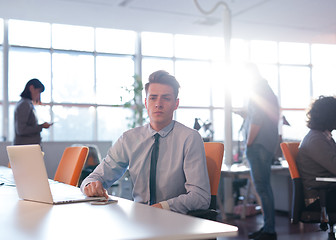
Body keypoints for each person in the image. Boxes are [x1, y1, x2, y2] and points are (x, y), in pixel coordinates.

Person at [80, 70, 211, 214]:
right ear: (146, 102)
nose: (158, 104)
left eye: (166, 98)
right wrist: (90, 185)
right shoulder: (129, 139)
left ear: (176, 103)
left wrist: (162, 207)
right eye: (153, 98)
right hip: (139, 218)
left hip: (174, 218)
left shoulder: (190, 138)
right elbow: (95, 177)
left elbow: (200, 197)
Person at [296, 96, 336, 226]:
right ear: (331, 116)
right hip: (321, 199)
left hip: (330, 192)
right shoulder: (316, 140)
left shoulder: (323, 137)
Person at [244, 65, 279, 240]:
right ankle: (268, 227)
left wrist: (248, 143)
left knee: (262, 188)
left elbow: (257, 117)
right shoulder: (267, 90)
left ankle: (269, 230)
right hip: (267, 143)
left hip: (258, 145)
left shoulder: (257, 89)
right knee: (265, 187)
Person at [14, 78, 52, 145]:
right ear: (31, 88)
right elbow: (21, 130)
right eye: (38, 92)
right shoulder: (24, 104)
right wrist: (41, 126)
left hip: (28, 148)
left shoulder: (27, 104)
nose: (39, 96)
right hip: (25, 148)